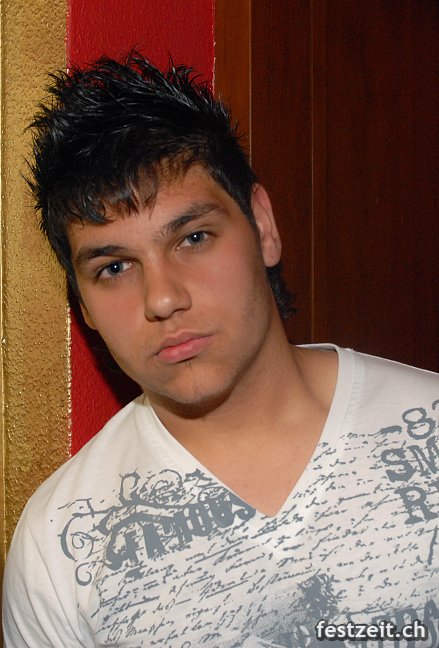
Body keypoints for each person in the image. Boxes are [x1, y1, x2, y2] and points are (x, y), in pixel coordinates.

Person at [3, 52, 438, 648]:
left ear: (263, 226)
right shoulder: (57, 546)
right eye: (114, 268)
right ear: (83, 304)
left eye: (194, 238)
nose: (162, 298)